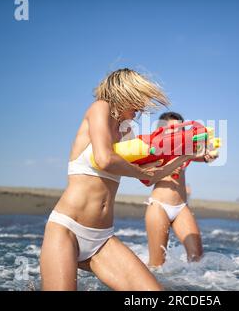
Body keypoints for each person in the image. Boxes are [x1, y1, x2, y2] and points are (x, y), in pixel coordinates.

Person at [40, 69, 195, 290]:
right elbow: (104, 159)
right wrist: (141, 172)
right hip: (67, 229)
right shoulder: (100, 108)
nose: (142, 107)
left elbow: (151, 177)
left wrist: (185, 155)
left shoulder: (127, 131)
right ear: (125, 92)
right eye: (139, 98)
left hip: (102, 238)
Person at [144, 112, 218, 267]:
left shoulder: (185, 150)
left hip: (181, 207)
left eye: (178, 129)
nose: (175, 132)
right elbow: (147, 178)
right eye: (171, 129)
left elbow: (204, 155)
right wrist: (166, 168)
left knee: (197, 258)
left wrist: (210, 155)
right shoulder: (154, 149)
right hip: (159, 206)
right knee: (157, 265)